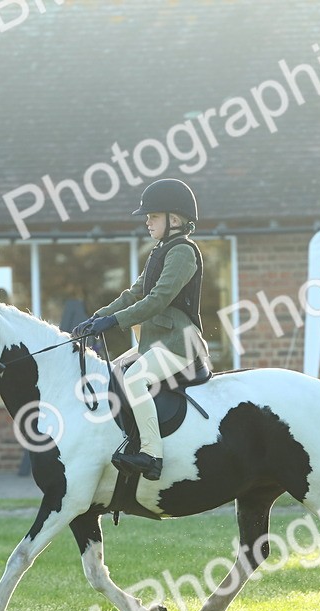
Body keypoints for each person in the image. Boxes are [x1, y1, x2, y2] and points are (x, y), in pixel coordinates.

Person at [73, 178, 210, 480]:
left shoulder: (183, 252)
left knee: (134, 381)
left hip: (179, 343)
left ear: (174, 220)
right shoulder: (160, 251)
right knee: (116, 372)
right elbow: (134, 294)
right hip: (154, 341)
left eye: (152, 216)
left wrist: (115, 322)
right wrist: (98, 317)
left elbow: (158, 300)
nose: (147, 222)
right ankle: (131, 439)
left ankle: (151, 455)